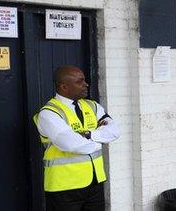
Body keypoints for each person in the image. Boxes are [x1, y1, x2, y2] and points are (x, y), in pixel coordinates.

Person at [34, 66, 120, 211]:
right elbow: (71, 144)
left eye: (84, 80)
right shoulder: (49, 113)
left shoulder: (92, 106)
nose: (86, 84)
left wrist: (89, 135)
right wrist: (100, 140)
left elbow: (115, 131)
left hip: (95, 183)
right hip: (65, 188)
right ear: (64, 86)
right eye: (80, 81)